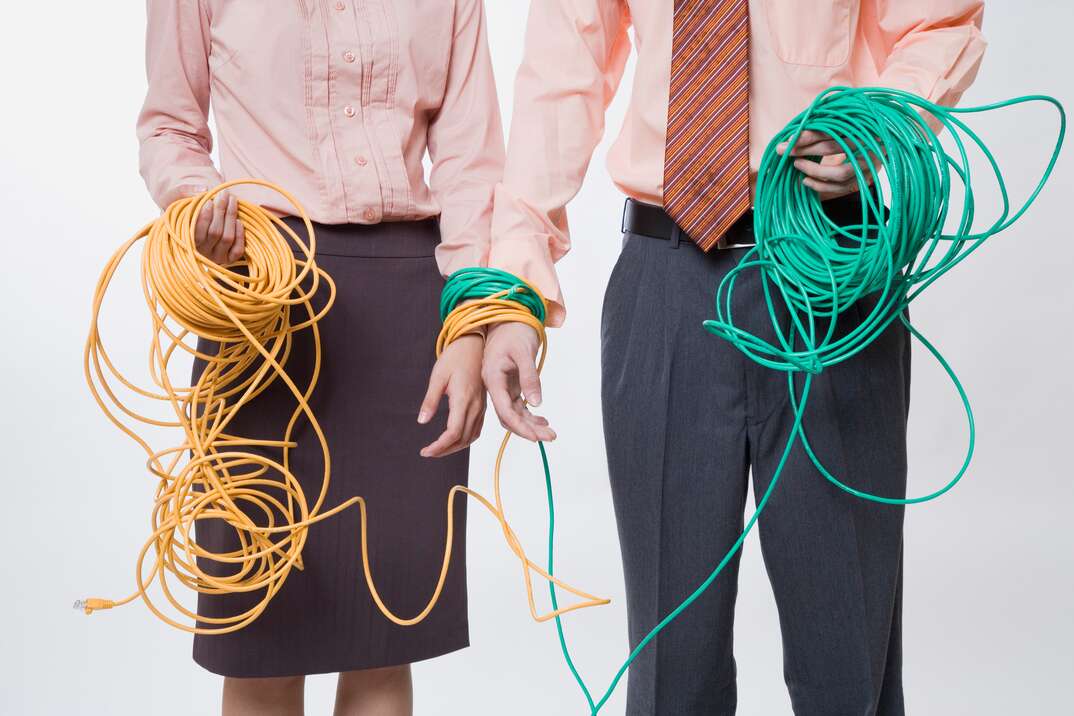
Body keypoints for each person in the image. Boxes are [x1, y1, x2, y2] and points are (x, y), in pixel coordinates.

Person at [476, 1, 987, 714]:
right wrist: (514, 289)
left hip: (828, 267)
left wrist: (878, 128)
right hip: (666, 279)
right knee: (672, 665)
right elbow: (562, 71)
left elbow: (937, 22)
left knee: (848, 657)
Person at [136, 1, 503, 714]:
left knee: (383, 641)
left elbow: (470, 157)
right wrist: (202, 202)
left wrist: (469, 323)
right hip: (259, 305)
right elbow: (169, 129)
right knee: (259, 644)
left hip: (408, 309)